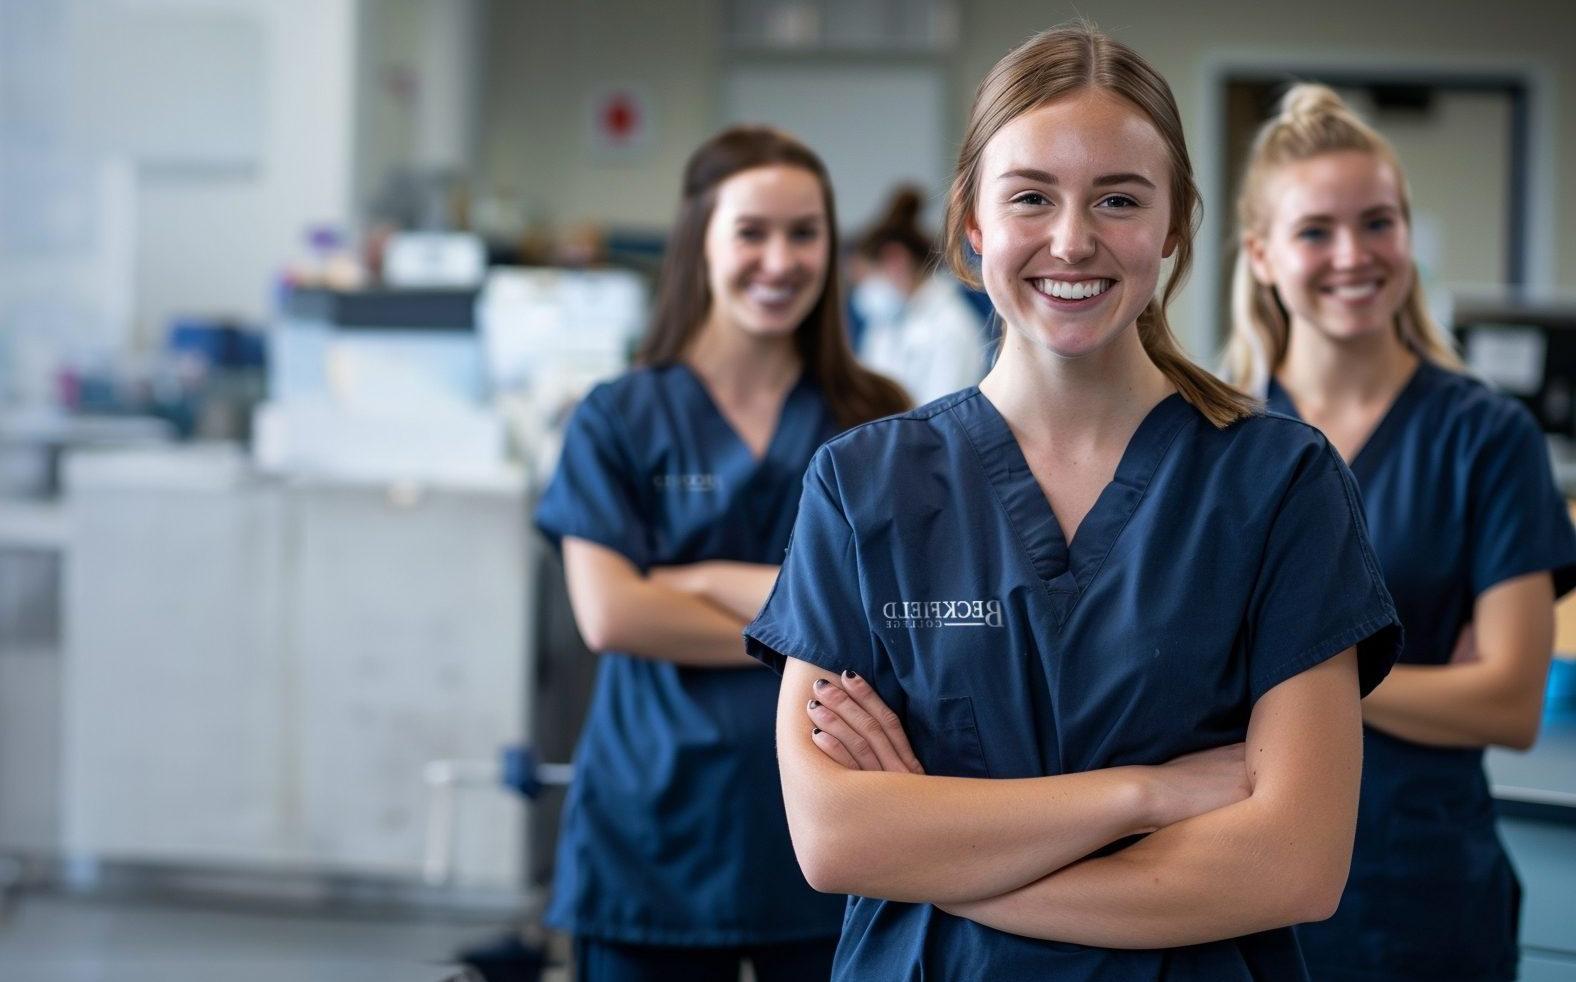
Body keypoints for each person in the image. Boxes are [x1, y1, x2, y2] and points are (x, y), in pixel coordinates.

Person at [741, 23, 1404, 980]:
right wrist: (1145, 795)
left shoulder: (1282, 486)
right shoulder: (861, 487)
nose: (1071, 240)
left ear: (1175, 224)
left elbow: (1293, 865)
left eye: (1119, 199)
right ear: (973, 222)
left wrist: (939, 857)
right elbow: (836, 840)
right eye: (1030, 198)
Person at [533, 126, 909, 981]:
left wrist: (699, 582)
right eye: (752, 232)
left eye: (804, 233)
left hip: (832, 832)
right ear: (700, 241)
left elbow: (890, 616)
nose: (780, 261)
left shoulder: (878, 421)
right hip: (653, 832)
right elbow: (612, 614)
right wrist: (810, 615)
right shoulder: (617, 418)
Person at [1224, 83, 1576, 982]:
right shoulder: (1214, 437)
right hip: (1234, 887)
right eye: (1315, 232)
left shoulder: (1486, 437)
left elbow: (1508, 702)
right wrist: (1410, 684)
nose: (1354, 255)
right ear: (1262, 254)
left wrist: (1277, 679)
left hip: (1419, 892)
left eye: (1378, 223)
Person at [850, 185, 990, 403]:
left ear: (895, 260)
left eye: (869, 277)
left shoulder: (951, 327)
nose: (865, 291)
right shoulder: (887, 323)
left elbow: (942, 417)